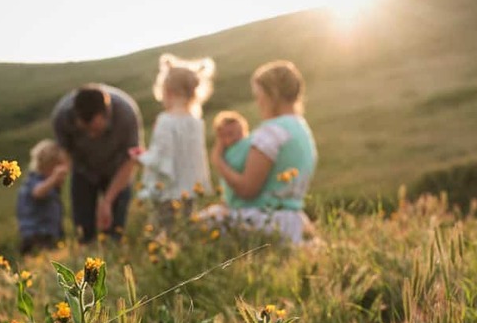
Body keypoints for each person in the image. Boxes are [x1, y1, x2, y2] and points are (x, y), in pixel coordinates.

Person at [210, 60, 318, 244]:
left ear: (272, 95)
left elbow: (247, 189)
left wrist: (218, 161)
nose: (258, 102)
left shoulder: (271, 132)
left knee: (197, 226)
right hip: (294, 222)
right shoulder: (301, 129)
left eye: (258, 95)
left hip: (264, 221)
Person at [130, 54, 215, 227]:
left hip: (167, 191)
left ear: (166, 91)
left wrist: (140, 157)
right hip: (190, 189)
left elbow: (161, 159)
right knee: (186, 228)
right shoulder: (196, 123)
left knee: (163, 231)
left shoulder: (165, 121)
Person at [51, 83, 143, 243]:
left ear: (107, 114)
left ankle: (113, 258)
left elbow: (131, 160)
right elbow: (64, 152)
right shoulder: (62, 116)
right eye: (85, 130)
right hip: (83, 171)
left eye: (96, 130)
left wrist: (107, 202)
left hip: (118, 169)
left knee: (115, 230)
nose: (92, 136)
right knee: (83, 230)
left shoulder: (126, 113)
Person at [16, 139, 69, 254]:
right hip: (36, 235)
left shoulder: (50, 185)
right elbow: (37, 192)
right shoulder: (33, 181)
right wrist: (54, 179)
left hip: (49, 233)